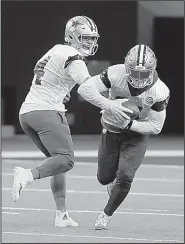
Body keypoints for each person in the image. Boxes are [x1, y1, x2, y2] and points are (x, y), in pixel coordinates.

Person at [11, 15, 104, 228]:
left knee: (57, 163)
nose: (89, 42)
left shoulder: (56, 50)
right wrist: (110, 103)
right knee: (66, 159)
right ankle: (27, 175)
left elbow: (46, 77)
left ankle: (61, 215)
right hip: (46, 112)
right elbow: (88, 88)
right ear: (71, 36)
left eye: (91, 38)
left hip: (28, 113)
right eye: (85, 38)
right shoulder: (73, 56)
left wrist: (61, 92)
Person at [77, 44, 170, 230]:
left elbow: (156, 127)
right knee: (104, 178)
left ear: (152, 71)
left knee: (126, 175)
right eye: (133, 72)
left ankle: (105, 215)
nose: (138, 78)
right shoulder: (115, 73)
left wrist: (129, 124)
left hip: (137, 134)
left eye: (143, 74)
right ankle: (111, 183)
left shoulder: (160, 91)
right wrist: (109, 105)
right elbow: (84, 90)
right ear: (126, 68)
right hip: (111, 128)